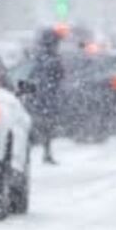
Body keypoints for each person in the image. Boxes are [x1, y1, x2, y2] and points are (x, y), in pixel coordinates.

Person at [30, 27, 67, 165]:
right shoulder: (51, 59)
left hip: (40, 97)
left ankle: (45, 151)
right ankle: (46, 152)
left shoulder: (39, 57)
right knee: (46, 125)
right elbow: (58, 76)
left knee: (44, 125)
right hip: (46, 98)